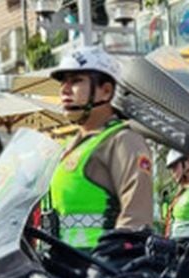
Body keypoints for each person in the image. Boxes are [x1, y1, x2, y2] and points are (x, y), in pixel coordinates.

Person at [45, 45, 155, 250]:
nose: (65, 90)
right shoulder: (70, 147)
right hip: (62, 267)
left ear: (106, 91)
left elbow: (136, 217)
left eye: (76, 81)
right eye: (63, 82)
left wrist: (112, 259)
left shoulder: (123, 140)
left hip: (100, 270)